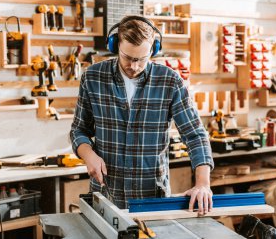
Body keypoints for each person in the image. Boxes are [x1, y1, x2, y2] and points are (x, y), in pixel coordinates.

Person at [70, 15, 214, 214]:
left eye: (141, 59)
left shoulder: (169, 82)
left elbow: (195, 135)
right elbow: (79, 130)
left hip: (153, 199)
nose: (134, 66)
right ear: (115, 46)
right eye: (128, 57)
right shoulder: (93, 77)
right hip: (106, 196)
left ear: (153, 50)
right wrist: (88, 155)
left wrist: (203, 184)